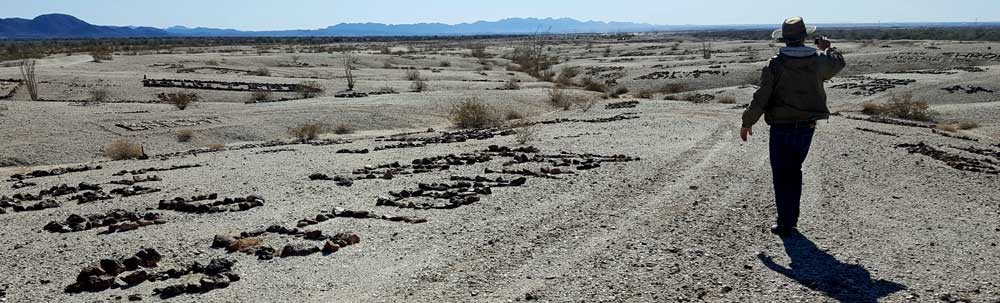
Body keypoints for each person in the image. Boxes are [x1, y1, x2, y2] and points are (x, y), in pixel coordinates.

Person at [740, 17, 846, 236]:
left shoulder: (775, 64)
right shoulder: (818, 60)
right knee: (794, 171)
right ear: (804, 37)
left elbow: (762, 96)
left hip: (781, 127)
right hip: (806, 127)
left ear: (785, 39)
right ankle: (791, 220)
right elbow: (838, 63)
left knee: (781, 174)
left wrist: (748, 121)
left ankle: (785, 222)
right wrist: (828, 48)